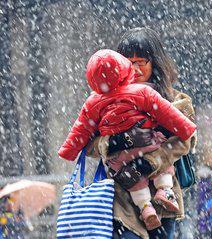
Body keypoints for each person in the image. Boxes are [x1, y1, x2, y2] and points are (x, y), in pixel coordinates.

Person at [58, 49, 196, 230]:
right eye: (130, 62)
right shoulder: (136, 94)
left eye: (141, 62)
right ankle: (151, 202)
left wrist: (147, 162)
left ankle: (149, 204)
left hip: (154, 197)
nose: (136, 68)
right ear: (123, 67)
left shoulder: (175, 98)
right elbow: (88, 145)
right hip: (121, 197)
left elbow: (183, 142)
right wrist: (114, 141)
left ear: (155, 63)